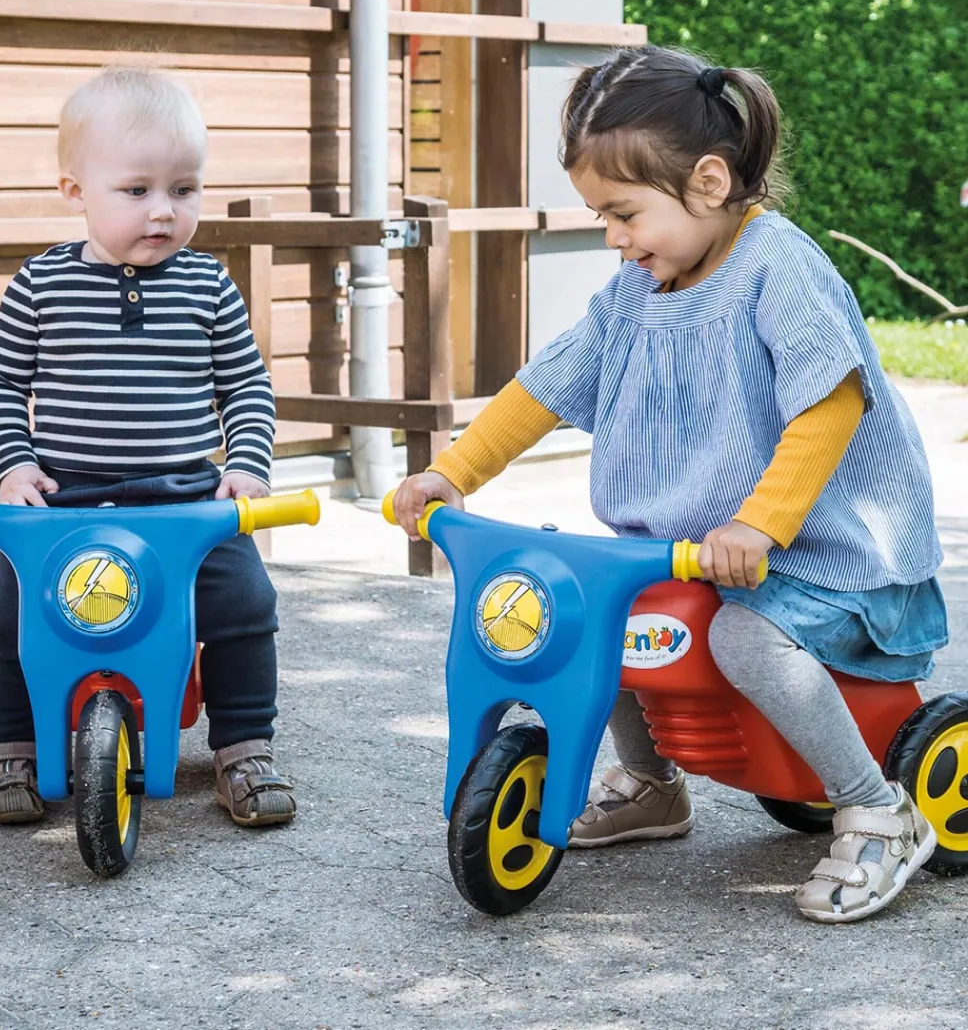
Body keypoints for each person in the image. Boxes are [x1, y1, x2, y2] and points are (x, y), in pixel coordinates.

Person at [392, 46, 948, 923]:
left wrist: (762, 526)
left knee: (747, 643)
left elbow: (831, 406)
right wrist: (450, 470)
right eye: (600, 216)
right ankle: (652, 783)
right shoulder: (632, 293)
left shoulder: (778, 268)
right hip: (697, 554)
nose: (612, 236)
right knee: (585, 611)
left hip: (829, 558)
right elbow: (544, 386)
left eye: (623, 213)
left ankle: (877, 807)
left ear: (710, 182)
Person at [0, 67, 296, 829]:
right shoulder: (40, 285)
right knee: (4, 619)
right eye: (137, 190)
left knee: (246, 603)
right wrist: (14, 464)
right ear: (75, 191)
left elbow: (247, 386)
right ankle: (10, 747)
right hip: (65, 498)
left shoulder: (209, 285)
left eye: (184, 190)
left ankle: (245, 744)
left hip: (185, 495)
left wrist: (246, 464)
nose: (164, 211)